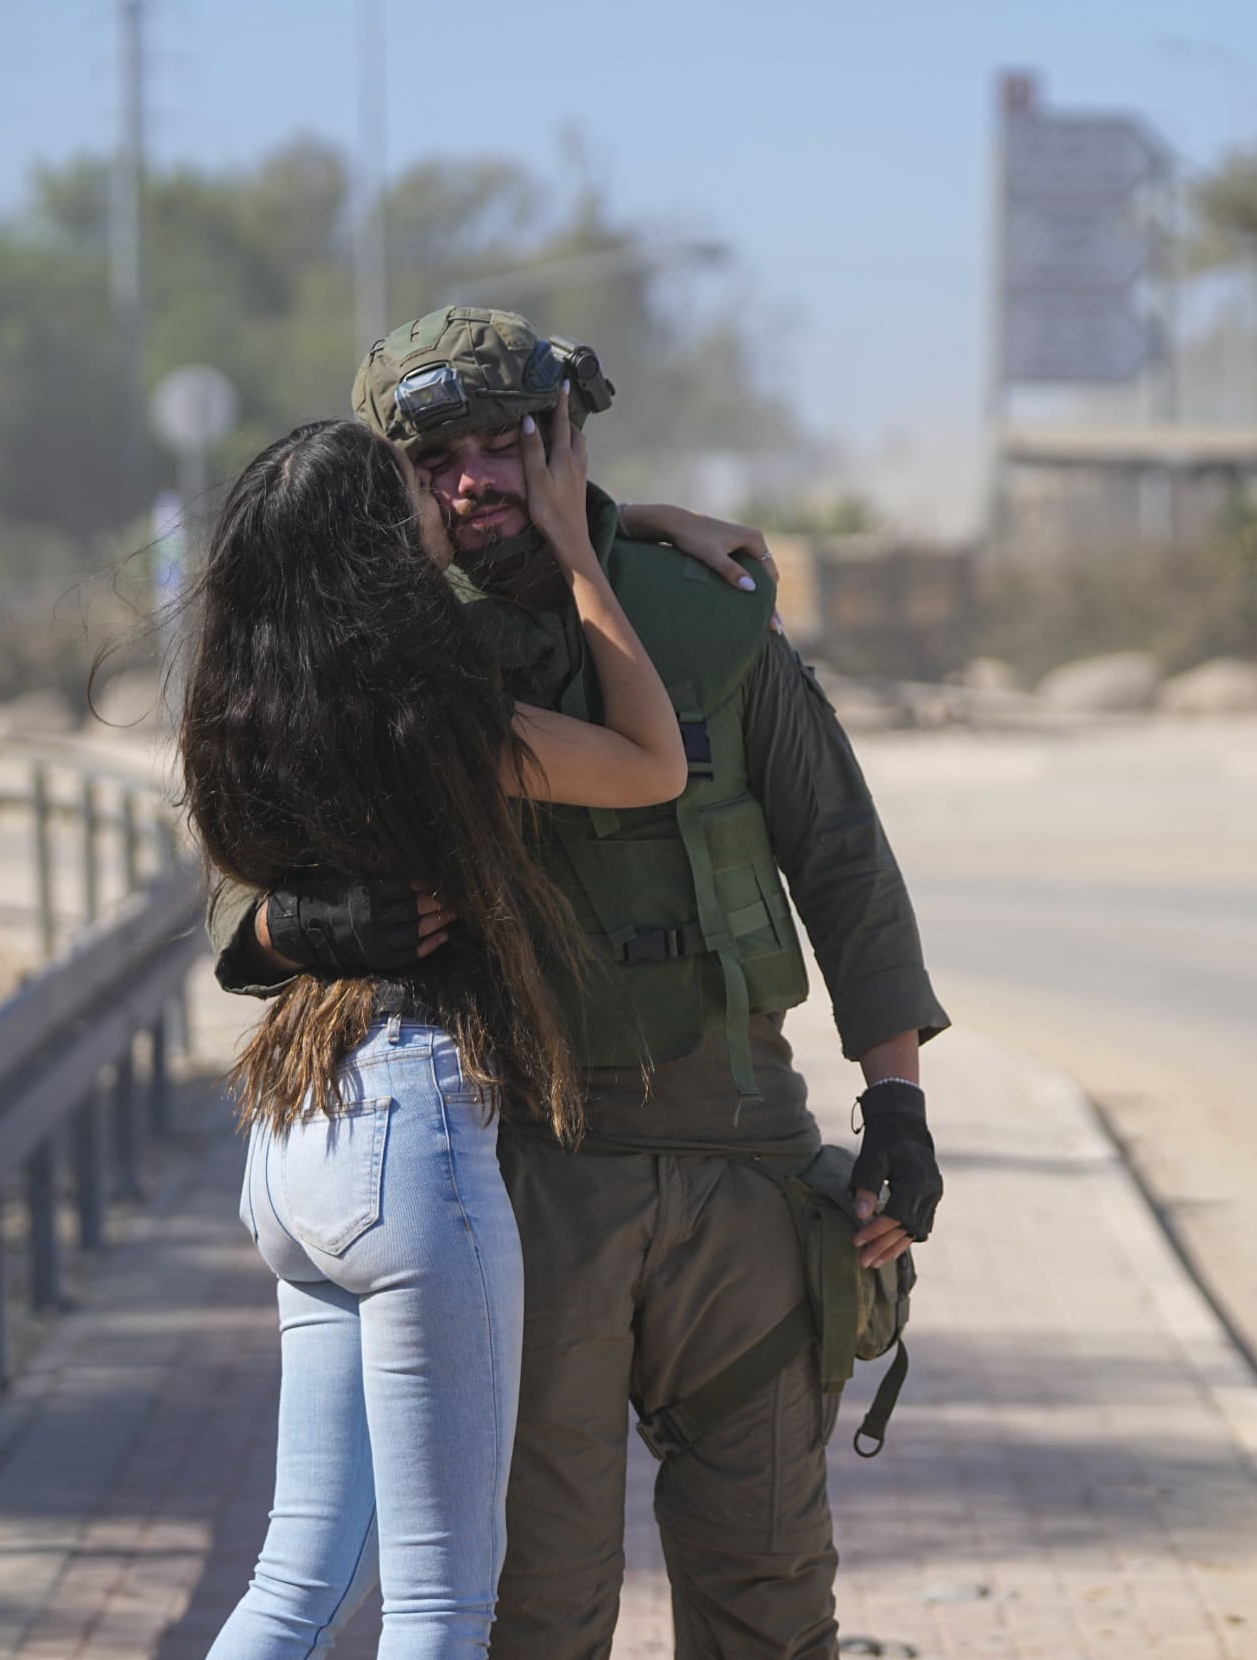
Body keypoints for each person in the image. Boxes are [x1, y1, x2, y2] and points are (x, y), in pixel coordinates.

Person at [208, 307, 950, 1658]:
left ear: (566, 441)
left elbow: (841, 856)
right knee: (533, 1609)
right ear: (389, 479)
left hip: (740, 1160)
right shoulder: (383, 662)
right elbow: (247, 900)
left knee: (768, 1592)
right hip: (522, 1178)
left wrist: (893, 1100)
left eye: (508, 444)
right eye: (436, 458)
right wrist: (306, 921)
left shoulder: (705, 628)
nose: (475, 479)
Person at [184, 396, 697, 1658]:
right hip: (410, 1135)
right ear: (375, 542)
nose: (443, 499)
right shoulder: (435, 719)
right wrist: (580, 550)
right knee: (437, 1602)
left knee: (295, 1581)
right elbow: (651, 762)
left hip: (294, 1141)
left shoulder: (249, 708)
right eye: (413, 489)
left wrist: (656, 523)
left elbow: (241, 933)